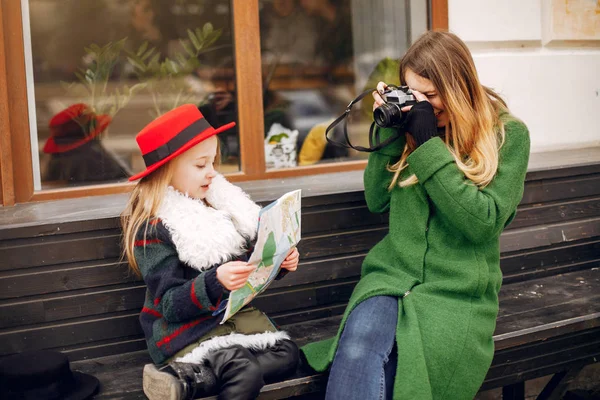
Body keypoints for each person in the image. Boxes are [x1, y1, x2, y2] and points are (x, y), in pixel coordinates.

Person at [301, 31, 531, 399]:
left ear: (459, 87)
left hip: (456, 293)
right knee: (356, 351)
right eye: (412, 92)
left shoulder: (508, 135)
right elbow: (377, 199)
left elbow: (483, 223)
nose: (423, 104)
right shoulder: (411, 127)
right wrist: (389, 129)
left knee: (402, 379)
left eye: (432, 96)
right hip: (391, 277)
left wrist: (428, 147)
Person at [121, 104, 301, 400]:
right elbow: (169, 304)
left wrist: (279, 260)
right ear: (167, 169)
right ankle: (195, 373)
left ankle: (189, 382)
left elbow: (247, 266)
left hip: (226, 320)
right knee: (244, 369)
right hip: (184, 330)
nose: (212, 173)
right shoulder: (155, 226)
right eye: (200, 165)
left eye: (213, 162)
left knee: (288, 354)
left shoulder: (219, 206)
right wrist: (215, 281)